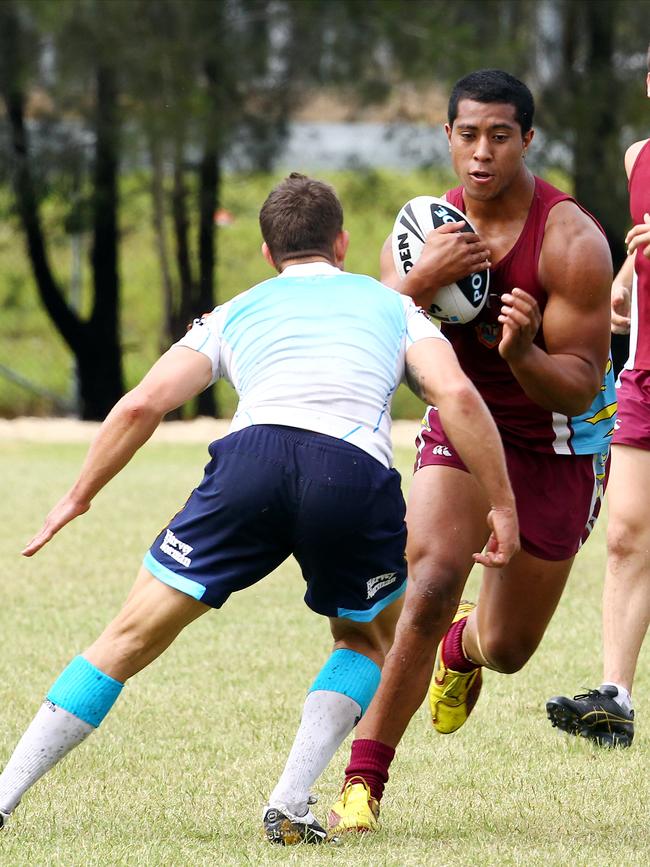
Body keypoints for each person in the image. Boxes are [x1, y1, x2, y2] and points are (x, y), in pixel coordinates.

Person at [0, 173, 518, 843]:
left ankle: (6, 794)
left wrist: (78, 495)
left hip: (252, 463)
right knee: (364, 635)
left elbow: (141, 404)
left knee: (124, 638)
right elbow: (460, 398)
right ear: (342, 241)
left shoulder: (238, 309)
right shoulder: (395, 308)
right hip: (350, 474)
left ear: (270, 254)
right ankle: (290, 796)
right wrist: (501, 503)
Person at [327, 69, 615, 835]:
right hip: (461, 426)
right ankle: (364, 782)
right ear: (447, 137)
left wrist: (521, 352)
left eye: (498, 136)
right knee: (426, 585)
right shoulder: (425, 222)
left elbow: (583, 386)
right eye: (466, 135)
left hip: (555, 442)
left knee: (512, 648)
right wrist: (422, 281)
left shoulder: (572, 240)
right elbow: (378, 329)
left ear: (527, 139)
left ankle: (466, 646)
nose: (481, 152)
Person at [546, 46, 650, 748]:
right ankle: (614, 697)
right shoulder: (638, 156)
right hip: (644, 371)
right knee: (624, 535)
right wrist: (621, 281)